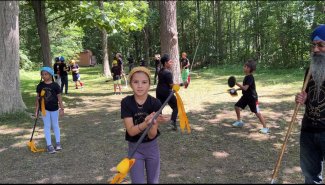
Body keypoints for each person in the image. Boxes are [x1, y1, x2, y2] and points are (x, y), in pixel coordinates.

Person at [121, 66, 169, 183]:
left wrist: (154, 123)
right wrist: (145, 123)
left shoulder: (156, 103)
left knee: (153, 181)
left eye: (144, 82)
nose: (140, 85)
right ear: (131, 84)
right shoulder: (126, 102)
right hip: (135, 148)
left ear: (149, 84)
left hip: (152, 148)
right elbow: (131, 131)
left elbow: (152, 135)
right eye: (136, 82)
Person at [295, 24, 325, 184]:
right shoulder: (311, 69)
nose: (315, 50)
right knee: (310, 177)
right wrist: (302, 98)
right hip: (308, 130)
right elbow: (309, 96)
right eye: (314, 45)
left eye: (321, 45)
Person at [232, 59, 269, 134]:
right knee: (236, 106)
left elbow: (245, 88)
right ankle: (239, 121)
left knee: (257, 113)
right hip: (245, 97)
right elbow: (245, 87)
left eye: (245, 66)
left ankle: (265, 127)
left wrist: (236, 83)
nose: (243, 67)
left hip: (252, 98)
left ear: (249, 69)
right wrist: (236, 90)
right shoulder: (246, 76)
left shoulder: (250, 77)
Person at [34, 67, 64, 154]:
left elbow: (59, 97)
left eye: (45, 74)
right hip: (44, 109)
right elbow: (37, 98)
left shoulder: (55, 85)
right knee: (47, 126)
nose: (43, 76)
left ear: (50, 75)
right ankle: (49, 145)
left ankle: (58, 143)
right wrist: (36, 110)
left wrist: (62, 108)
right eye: (42, 74)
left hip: (54, 109)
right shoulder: (40, 86)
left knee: (55, 125)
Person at [156, 54, 178, 131]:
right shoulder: (168, 72)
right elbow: (171, 85)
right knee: (176, 106)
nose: (171, 63)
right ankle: (173, 122)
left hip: (159, 91)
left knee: (159, 109)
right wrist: (182, 84)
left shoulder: (160, 71)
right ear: (165, 63)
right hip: (167, 93)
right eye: (170, 61)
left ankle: (155, 125)